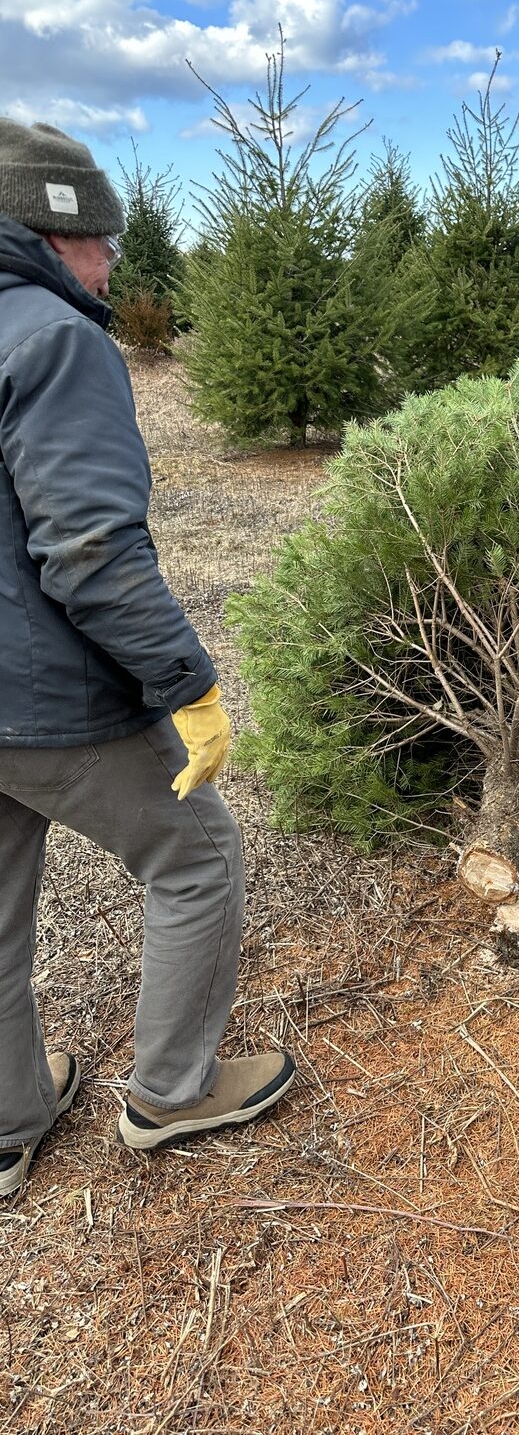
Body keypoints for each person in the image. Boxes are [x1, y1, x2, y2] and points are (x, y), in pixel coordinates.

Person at [0, 119, 295, 1195]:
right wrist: (192, 685)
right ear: (50, 230)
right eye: (103, 239)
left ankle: (9, 1117)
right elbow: (88, 548)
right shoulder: (53, 337)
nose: (115, 259)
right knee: (197, 855)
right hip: (41, 696)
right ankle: (174, 1093)